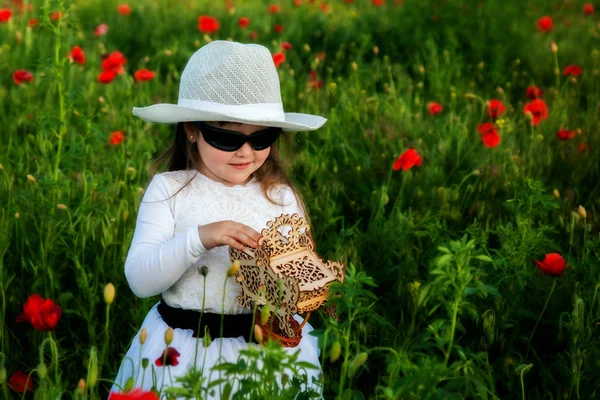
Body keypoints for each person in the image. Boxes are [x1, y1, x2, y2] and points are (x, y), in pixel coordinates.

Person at [110, 41, 327, 399]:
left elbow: (300, 283)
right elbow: (139, 279)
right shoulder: (170, 190)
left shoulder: (280, 196)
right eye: (227, 137)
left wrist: (289, 277)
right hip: (182, 351)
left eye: (262, 138)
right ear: (192, 130)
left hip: (266, 352)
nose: (246, 151)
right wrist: (200, 238)